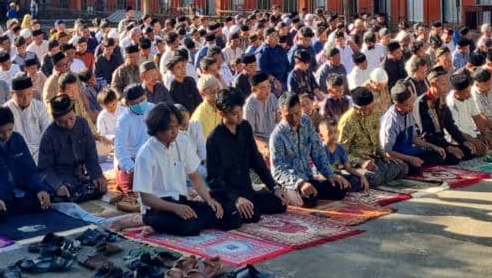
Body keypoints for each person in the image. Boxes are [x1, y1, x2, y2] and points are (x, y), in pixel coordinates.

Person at [205, 89, 297, 229]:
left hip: (246, 189)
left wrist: (274, 187)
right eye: (234, 113)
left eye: (240, 111)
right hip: (226, 193)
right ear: (221, 113)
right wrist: (235, 198)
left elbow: (257, 160)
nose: (239, 116)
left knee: (280, 203)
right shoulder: (214, 139)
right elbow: (213, 179)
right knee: (237, 219)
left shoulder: (245, 127)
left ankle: (252, 202)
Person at [134, 103, 225, 236]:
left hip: (180, 200)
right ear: (158, 128)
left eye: (176, 126)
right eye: (170, 128)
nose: (174, 131)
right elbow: (146, 198)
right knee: (190, 226)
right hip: (157, 207)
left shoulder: (182, 141)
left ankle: (159, 225)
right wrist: (175, 208)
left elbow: (194, 175)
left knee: (223, 213)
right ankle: (150, 222)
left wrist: (209, 200)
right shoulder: (145, 154)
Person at [0, 107, 52, 222]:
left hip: (20, 193)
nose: (6, 135)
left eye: (10, 130)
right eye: (1, 132)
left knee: (44, 199)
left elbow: (30, 170)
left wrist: (40, 189)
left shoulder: (17, 139)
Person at [269, 92, 350, 207]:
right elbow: (277, 170)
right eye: (289, 115)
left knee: (340, 189)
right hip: (291, 183)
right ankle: (292, 195)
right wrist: (300, 183)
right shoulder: (277, 136)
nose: (295, 118)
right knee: (310, 200)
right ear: (280, 114)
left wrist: (330, 175)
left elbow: (317, 152)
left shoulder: (306, 121)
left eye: (297, 113)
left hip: (308, 178)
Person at [37, 94, 107, 202]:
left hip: (80, 174)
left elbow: (91, 154)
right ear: (55, 120)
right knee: (63, 194)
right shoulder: (48, 137)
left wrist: (97, 175)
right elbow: (45, 169)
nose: (69, 124)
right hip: (61, 176)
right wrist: (57, 186)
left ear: (74, 112)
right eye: (62, 122)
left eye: (71, 119)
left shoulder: (82, 124)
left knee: (100, 187)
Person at [338, 86, 409, 187]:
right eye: (366, 109)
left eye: (372, 107)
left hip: (373, 159)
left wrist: (384, 155)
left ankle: (377, 176)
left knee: (403, 167)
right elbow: (341, 152)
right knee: (374, 178)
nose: (370, 111)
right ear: (355, 107)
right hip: (355, 164)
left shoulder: (374, 113)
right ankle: (360, 177)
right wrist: (361, 162)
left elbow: (376, 139)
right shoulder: (347, 122)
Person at [415, 68, 478, 162]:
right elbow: (426, 134)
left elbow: (450, 125)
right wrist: (447, 146)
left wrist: (463, 141)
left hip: (442, 141)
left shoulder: (441, 99)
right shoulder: (422, 103)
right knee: (453, 158)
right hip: (429, 144)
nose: (447, 87)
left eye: (447, 84)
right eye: (443, 84)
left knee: (469, 151)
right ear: (433, 84)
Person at [113, 84, 151, 196]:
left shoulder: (154, 109)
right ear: (128, 104)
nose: (140, 104)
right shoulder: (123, 119)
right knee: (134, 195)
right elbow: (119, 148)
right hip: (132, 161)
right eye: (135, 103)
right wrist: (132, 169)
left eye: (142, 100)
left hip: (152, 158)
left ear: (146, 96)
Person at [5, 75, 50, 161]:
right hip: (17, 155)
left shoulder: (39, 107)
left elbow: (47, 131)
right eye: (21, 96)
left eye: (29, 94)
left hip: (41, 152)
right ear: (12, 94)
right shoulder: (6, 110)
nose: (26, 99)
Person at [320, 117, 369, 191]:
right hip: (326, 177)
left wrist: (361, 176)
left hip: (339, 175)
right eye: (330, 133)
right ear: (321, 136)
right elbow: (321, 172)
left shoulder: (340, 148)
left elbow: (348, 168)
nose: (334, 135)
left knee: (357, 180)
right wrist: (336, 177)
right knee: (334, 186)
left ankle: (344, 186)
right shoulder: (321, 149)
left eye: (335, 132)